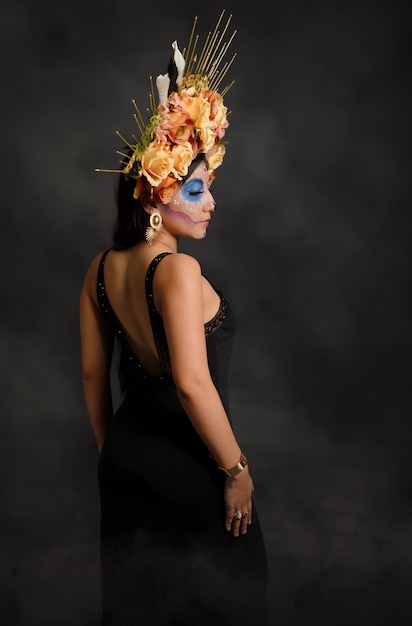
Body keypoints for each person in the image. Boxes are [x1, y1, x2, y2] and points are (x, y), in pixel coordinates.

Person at [80, 12, 269, 626]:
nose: (211, 200)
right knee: (222, 603)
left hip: (128, 464)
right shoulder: (177, 273)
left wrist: (118, 454)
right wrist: (236, 470)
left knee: (141, 608)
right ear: (156, 197)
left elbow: (91, 375)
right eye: (194, 189)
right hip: (192, 469)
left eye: (210, 185)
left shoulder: (99, 269)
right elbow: (191, 382)